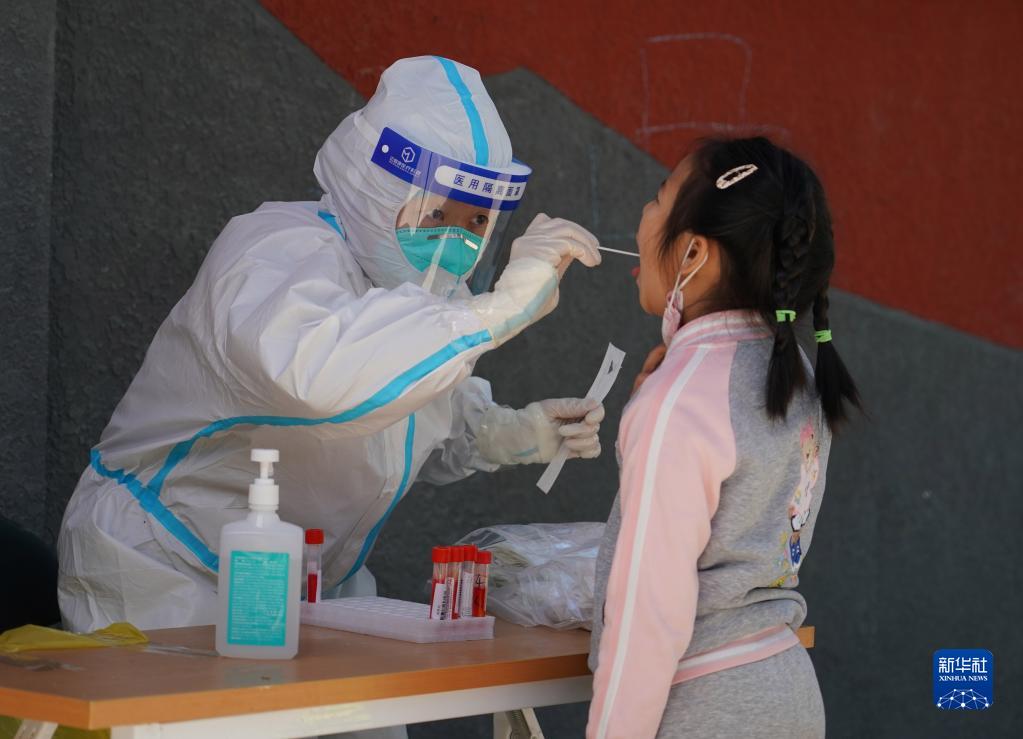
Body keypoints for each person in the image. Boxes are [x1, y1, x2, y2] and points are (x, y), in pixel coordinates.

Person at [58, 56, 604, 634]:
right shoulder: (276, 251)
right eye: (437, 213)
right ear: (377, 191)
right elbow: (318, 379)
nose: (455, 240)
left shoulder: (425, 301)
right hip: (165, 568)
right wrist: (496, 311)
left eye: (475, 223)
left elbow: (399, 423)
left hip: (299, 580)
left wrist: (504, 432)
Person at [587, 137, 861, 738]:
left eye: (658, 199)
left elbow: (647, 617)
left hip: (705, 705)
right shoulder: (792, 372)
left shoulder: (682, 399)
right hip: (787, 689)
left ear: (693, 253)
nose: (643, 217)